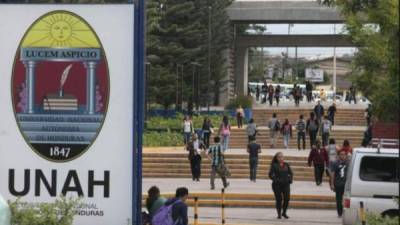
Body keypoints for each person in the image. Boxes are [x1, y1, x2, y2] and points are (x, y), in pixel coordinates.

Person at [269, 152, 293, 219]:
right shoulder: (274, 165)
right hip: (277, 185)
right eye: (279, 157)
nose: (281, 158)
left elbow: (291, 173)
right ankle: (279, 214)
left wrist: (290, 180)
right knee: (279, 199)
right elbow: (270, 175)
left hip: (286, 184)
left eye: (282, 157)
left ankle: (284, 213)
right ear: (276, 158)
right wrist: (276, 180)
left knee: (287, 198)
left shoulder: (286, 164)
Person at [330, 150, 349, 217]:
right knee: (338, 199)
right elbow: (332, 174)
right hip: (338, 184)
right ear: (338, 155)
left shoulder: (348, 163)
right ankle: (340, 212)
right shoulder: (335, 163)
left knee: (347, 199)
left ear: (346, 155)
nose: (342, 156)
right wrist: (332, 184)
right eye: (341, 154)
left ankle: (346, 212)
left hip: (346, 184)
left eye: (344, 154)